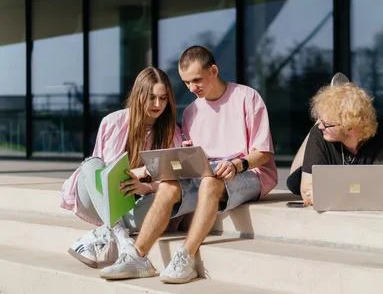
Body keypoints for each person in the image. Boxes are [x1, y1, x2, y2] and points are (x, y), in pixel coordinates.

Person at [100, 45, 278, 283]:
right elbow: (194, 158)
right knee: (168, 186)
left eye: (197, 80)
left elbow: (263, 152)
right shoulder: (192, 111)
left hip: (248, 171)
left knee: (210, 181)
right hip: (207, 172)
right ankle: (137, 256)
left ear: (213, 71)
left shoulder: (247, 97)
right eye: (186, 83)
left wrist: (236, 164)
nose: (192, 88)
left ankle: (186, 256)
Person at [60, 67, 182, 268]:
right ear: (138, 95)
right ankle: (124, 241)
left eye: (163, 98)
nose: (158, 104)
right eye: (151, 97)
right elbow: (102, 174)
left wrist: (147, 187)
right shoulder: (113, 122)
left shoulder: (172, 132)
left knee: (162, 203)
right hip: (101, 200)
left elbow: (175, 181)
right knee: (90, 165)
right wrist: (141, 172)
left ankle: (105, 235)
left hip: (136, 207)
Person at [288, 82, 383, 205]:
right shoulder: (320, 132)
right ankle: (308, 139)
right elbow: (308, 191)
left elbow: (382, 188)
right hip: (300, 177)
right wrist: (357, 190)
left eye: (326, 123)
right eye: (319, 120)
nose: (320, 126)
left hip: (334, 184)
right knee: (293, 182)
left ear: (350, 128)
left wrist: (331, 193)